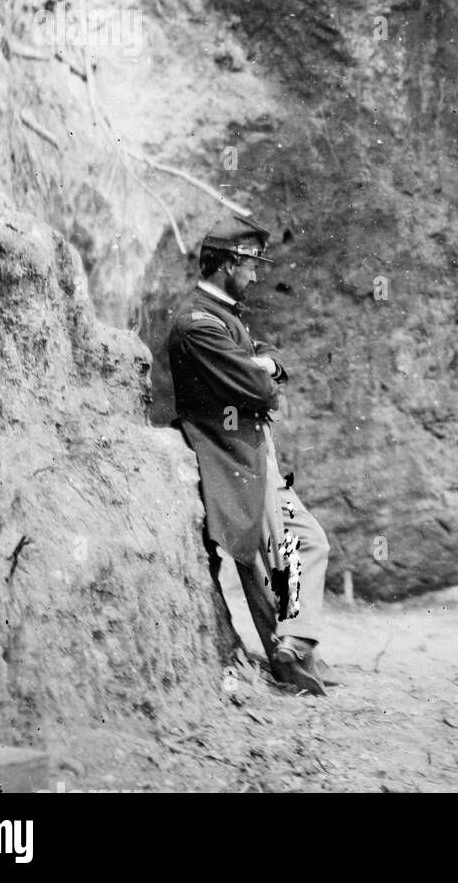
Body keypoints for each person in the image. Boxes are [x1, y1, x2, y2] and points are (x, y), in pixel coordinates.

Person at [167, 215, 340, 695]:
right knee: (273, 560)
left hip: (253, 450)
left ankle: (296, 641)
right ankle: (293, 662)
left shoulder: (222, 315)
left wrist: (265, 364)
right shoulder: (197, 322)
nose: (257, 274)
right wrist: (264, 372)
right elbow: (258, 388)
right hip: (230, 456)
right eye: (249, 264)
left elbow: (267, 361)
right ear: (224, 264)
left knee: (308, 542)